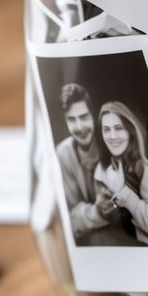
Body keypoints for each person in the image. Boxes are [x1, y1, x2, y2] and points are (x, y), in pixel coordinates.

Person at [92, 101, 148, 246]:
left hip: (146, 250)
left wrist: (126, 196)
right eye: (106, 129)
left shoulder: (142, 169)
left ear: (130, 131)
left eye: (119, 128)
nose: (112, 136)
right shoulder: (102, 170)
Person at [55, 83, 104, 243]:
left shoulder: (110, 141)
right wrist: (97, 212)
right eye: (71, 120)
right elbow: (70, 218)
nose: (79, 127)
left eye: (84, 117)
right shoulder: (63, 153)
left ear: (93, 114)